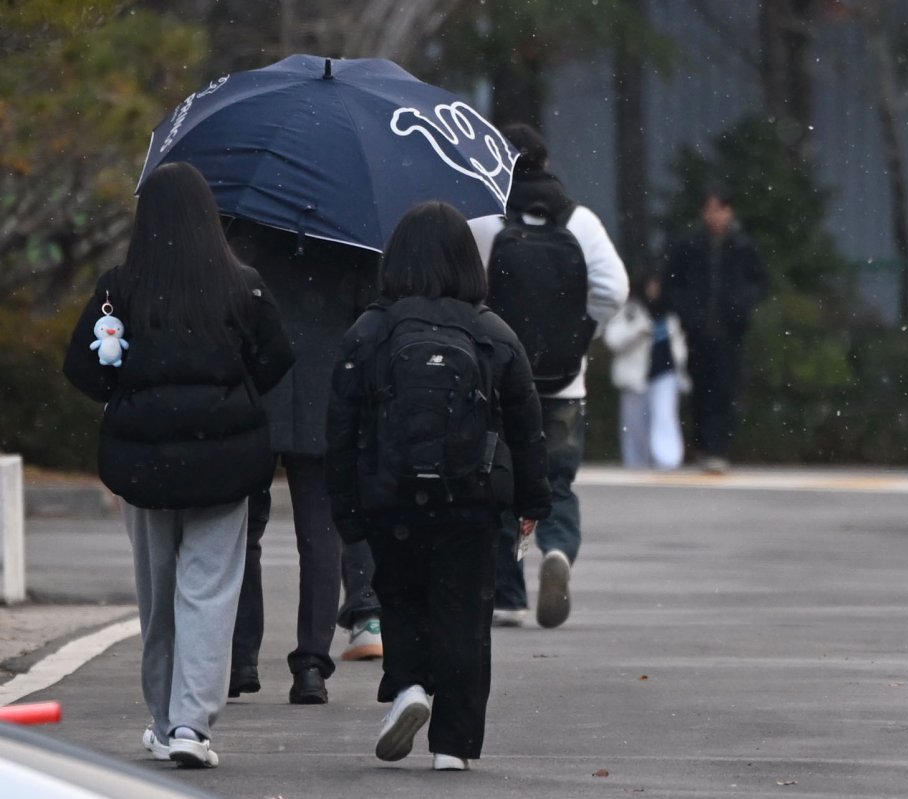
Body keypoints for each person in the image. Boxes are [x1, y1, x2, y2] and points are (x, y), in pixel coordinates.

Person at [62, 162, 294, 768]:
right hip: (226, 460)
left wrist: (127, 383)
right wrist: (233, 393)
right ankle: (192, 725)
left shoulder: (120, 287)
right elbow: (277, 359)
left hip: (142, 464)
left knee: (157, 592)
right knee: (210, 593)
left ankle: (164, 720)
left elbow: (83, 370)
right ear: (206, 217)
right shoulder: (243, 285)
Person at [326, 201, 550, 770]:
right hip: (470, 499)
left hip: (391, 493)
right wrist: (532, 501)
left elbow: (342, 430)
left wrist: (347, 509)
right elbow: (526, 426)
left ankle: (409, 689)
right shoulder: (492, 332)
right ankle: (453, 745)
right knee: (465, 615)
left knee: (401, 599)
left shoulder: (370, 330)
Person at [471, 122, 629, 629]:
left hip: (497, 380)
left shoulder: (483, 220)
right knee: (555, 482)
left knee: (499, 481)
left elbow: (464, 290)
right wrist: (579, 334)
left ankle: (507, 595)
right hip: (563, 384)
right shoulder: (579, 221)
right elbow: (614, 290)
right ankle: (557, 548)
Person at [222, 222, 384, 707]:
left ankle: (240, 659)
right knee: (320, 538)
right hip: (326, 396)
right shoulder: (351, 232)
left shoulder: (244, 229)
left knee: (243, 532)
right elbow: (368, 317)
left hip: (256, 394)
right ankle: (311, 666)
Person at [662, 182, 768, 473]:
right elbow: (672, 282)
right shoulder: (690, 244)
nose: (715, 216)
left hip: (730, 331)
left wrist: (741, 306)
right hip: (697, 331)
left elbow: (760, 282)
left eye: (721, 209)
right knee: (700, 390)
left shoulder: (743, 245)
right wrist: (687, 312)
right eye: (710, 210)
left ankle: (719, 448)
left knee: (725, 389)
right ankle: (703, 446)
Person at [604, 271, 690, 470]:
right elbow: (613, 340)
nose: (655, 290)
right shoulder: (630, 310)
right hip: (634, 376)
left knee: (665, 416)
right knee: (634, 424)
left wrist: (680, 364)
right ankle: (635, 463)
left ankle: (667, 461)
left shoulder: (670, 312)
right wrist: (637, 331)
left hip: (664, 373)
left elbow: (678, 343)